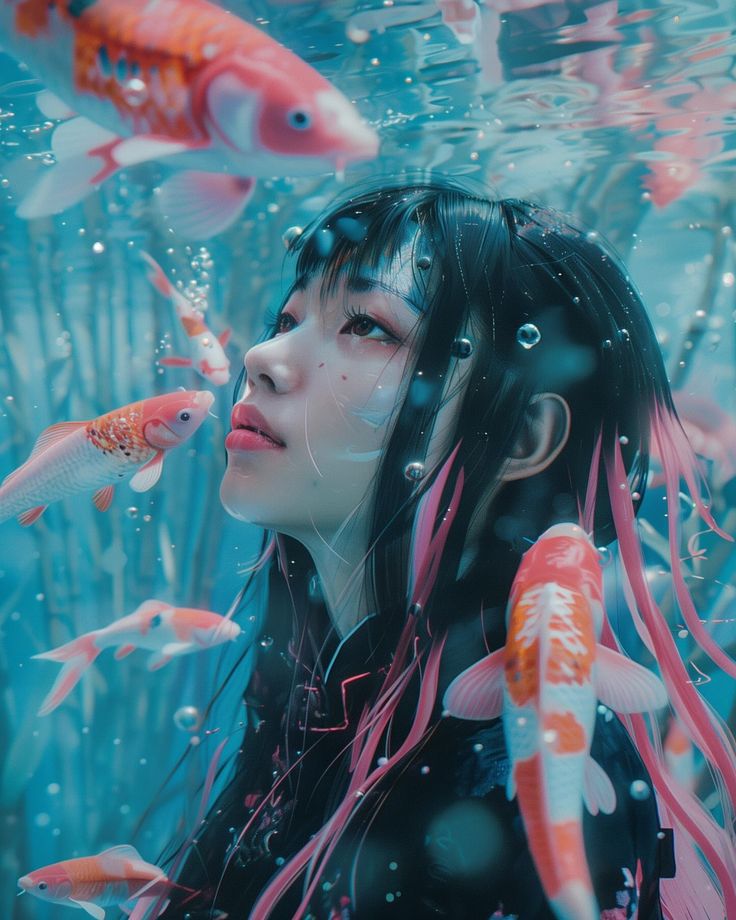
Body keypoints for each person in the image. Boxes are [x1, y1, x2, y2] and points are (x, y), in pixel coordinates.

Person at [156, 178, 736, 919]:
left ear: (524, 440)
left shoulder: (508, 771)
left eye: (367, 326)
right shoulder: (325, 699)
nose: (264, 355)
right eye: (289, 316)